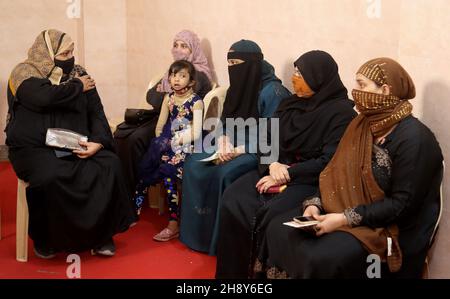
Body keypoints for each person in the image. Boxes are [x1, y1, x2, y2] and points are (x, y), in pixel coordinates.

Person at [256, 57, 443, 279]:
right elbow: (333, 172)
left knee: (320, 256)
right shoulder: (361, 124)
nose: (356, 91)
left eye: (362, 85)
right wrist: (314, 205)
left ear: (384, 90)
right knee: (279, 228)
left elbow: (401, 206)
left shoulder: (415, 139)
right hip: (344, 206)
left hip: (386, 226)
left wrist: (343, 219)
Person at [215, 50, 357, 278]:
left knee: (271, 213)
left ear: (318, 77)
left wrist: (289, 173)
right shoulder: (290, 104)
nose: (294, 78)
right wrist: (272, 165)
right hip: (274, 168)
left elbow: (330, 161)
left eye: (301, 73)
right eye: (295, 72)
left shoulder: (342, 115)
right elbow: (265, 137)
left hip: (309, 179)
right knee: (234, 198)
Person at [5, 29, 137, 258]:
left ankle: (101, 235)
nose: (70, 58)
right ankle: (47, 239)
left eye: (71, 52)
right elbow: (42, 98)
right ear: (48, 53)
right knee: (51, 176)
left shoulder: (79, 74)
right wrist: (76, 86)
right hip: (35, 148)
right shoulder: (23, 73)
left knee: (109, 165)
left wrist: (97, 142)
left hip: (74, 143)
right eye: (64, 53)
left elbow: (96, 112)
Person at [180, 40, 291, 255]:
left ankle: (218, 241)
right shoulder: (236, 87)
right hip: (229, 143)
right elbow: (223, 121)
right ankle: (196, 235)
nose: (232, 67)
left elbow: (272, 135)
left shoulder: (273, 92)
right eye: (229, 62)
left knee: (224, 173)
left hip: (256, 149)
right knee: (194, 164)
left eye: (236, 62)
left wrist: (238, 150)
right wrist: (223, 142)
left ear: (251, 62)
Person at [114, 30, 212, 197]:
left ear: (193, 50)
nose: (178, 50)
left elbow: (176, 98)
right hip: (162, 117)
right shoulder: (173, 72)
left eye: (184, 46)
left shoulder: (198, 74)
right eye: (175, 45)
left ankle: (139, 185)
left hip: (181, 124)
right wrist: (165, 96)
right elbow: (150, 95)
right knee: (125, 134)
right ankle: (126, 187)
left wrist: (164, 94)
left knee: (138, 138)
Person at [132, 60, 203, 241]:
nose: (176, 79)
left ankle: (173, 223)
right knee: (148, 163)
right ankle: (135, 208)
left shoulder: (196, 102)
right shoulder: (168, 98)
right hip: (166, 142)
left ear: (192, 81)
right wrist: (160, 142)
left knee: (168, 171)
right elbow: (160, 125)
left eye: (182, 75)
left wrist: (176, 141)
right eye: (173, 75)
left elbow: (196, 132)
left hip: (185, 145)